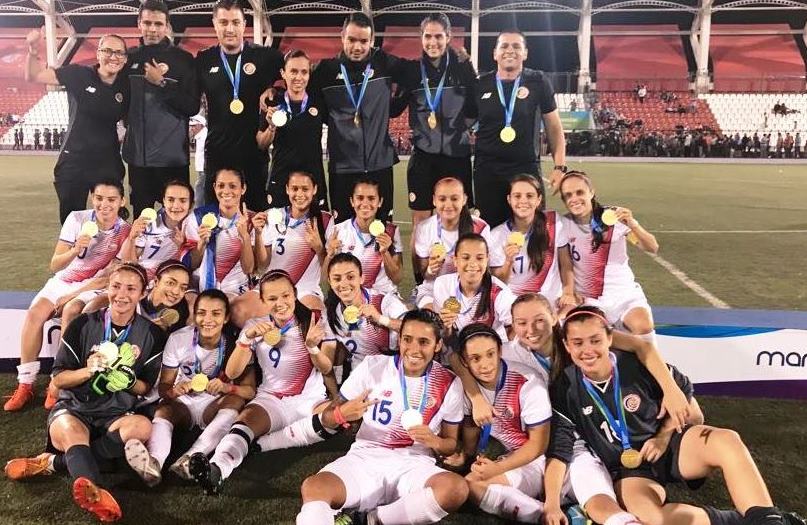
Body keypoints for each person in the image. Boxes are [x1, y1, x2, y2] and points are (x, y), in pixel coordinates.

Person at [548, 305, 800, 525]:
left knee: (727, 440)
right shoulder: (565, 388)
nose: (587, 350)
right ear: (567, 345)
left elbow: (685, 402)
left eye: (595, 340)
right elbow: (561, 445)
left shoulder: (637, 364)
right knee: (652, 518)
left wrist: (663, 437)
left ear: (610, 338)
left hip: (671, 446)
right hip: (628, 469)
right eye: (578, 343)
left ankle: (768, 520)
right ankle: (742, 520)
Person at [5, 264, 166, 523]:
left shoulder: (151, 334)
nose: (122, 294)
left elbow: (144, 387)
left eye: (131, 288)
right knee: (70, 431)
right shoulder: (83, 323)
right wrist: (87, 371)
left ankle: (52, 464)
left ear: (142, 293)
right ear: (108, 288)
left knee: (143, 427)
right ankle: (95, 490)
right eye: (116, 286)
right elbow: (59, 378)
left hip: (116, 413)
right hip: (75, 408)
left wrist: (127, 379)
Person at [296, 309, 469, 525]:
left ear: (437, 345)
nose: (414, 349)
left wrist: (434, 441)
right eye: (407, 339)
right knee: (314, 487)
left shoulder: (449, 382)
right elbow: (328, 418)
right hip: (366, 457)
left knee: (455, 489)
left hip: (414, 464)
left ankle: (369, 520)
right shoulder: (373, 366)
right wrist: (342, 413)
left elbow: (450, 445)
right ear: (400, 340)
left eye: (423, 342)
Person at [188, 270, 334, 495]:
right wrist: (246, 340)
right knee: (242, 425)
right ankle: (217, 470)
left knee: (338, 419)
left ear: (294, 294)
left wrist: (313, 347)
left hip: (310, 400)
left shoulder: (313, 320)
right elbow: (233, 371)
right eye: (272, 299)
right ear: (263, 301)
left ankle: (266, 443)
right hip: (272, 400)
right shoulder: (255, 325)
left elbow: (326, 368)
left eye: (285, 296)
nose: (281, 303)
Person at [4, 180, 132, 412]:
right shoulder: (77, 219)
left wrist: (71, 295)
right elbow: (55, 265)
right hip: (64, 280)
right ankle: (25, 384)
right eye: (99, 198)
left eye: (111, 200)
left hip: (93, 286)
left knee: (72, 312)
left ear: (121, 201)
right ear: (92, 198)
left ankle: (59, 383)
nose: (104, 205)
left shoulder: (125, 231)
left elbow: (108, 278)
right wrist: (75, 250)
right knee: (35, 314)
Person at [124, 289, 256, 485]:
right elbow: (164, 387)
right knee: (164, 408)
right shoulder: (178, 339)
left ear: (227, 317)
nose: (208, 319)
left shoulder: (237, 344)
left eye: (216, 313)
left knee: (235, 401)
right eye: (201, 313)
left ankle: (191, 458)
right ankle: (153, 463)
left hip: (215, 402)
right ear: (194, 315)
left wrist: (228, 388)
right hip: (183, 402)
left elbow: (250, 390)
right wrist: (173, 391)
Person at [24, 28, 129, 223]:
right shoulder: (78, 74)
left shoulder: (126, 85)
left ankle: (110, 254)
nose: (112, 57)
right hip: (75, 161)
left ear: (124, 58)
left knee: (112, 220)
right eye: (107, 51)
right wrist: (33, 49)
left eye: (118, 53)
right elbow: (35, 76)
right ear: (98, 53)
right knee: (72, 222)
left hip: (107, 162)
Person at [308, 12, 406, 221]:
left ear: (372, 41)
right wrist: (270, 91)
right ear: (342, 36)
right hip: (343, 167)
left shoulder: (384, 64)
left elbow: (417, 74)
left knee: (381, 231)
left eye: (364, 41)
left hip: (379, 164)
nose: (357, 47)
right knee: (343, 232)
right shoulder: (325, 71)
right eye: (352, 40)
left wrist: (458, 63)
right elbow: (296, 86)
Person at [397, 13, 477, 257]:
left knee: (461, 219)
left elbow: (475, 107)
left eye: (438, 36)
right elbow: (394, 108)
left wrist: (458, 129)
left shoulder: (462, 69)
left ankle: (463, 279)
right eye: (428, 36)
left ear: (449, 37)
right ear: (421, 38)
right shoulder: (412, 72)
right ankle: (422, 284)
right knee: (421, 222)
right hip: (424, 157)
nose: (433, 42)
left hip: (457, 156)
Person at [456, 323, 551, 523]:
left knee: (475, 486)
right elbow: (471, 429)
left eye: (490, 354)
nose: (485, 364)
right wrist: (465, 456)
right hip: (513, 457)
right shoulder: (468, 389)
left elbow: (539, 445)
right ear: (464, 362)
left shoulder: (527, 382)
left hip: (545, 460)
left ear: (500, 351)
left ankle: (546, 515)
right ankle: (544, 512)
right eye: (475, 358)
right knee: (469, 484)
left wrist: (498, 468)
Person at [195, 0, 283, 211]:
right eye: (223, 22)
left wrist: (276, 90)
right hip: (218, 153)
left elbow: (292, 77)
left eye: (235, 22)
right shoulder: (204, 60)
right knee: (214, 217)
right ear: (214, 24)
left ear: (245, 24)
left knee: (256, 218)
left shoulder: (266, 57)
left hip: (253, 154)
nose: (230, 28)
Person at [474, 29, 567, 226]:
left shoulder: (538, 81)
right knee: (489, 234)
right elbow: (462, 124)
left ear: (525, 53)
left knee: (533, 232)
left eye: (516, 46)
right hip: (487, 171)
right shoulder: (480, 84)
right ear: (495, 53)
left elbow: (554, 127)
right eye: (504, 46)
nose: (510, 50)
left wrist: (559, 166)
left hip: (525, 168)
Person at [558, 171, 659, 343]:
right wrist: (569, 291)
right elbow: (565, 264)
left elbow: (652, 247)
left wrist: (633, 224)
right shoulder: (563, 225)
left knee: (643, 326)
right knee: (592, 336)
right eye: (568, 195)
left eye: (580, 192)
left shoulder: (612, 217)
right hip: (590, 299)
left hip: (624, 294)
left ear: (591, 192)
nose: (574, 198)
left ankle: (655, 367)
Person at [123, 0, 199, 217]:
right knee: (141, 222)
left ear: (167, 25)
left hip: (173, 160)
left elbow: (192, 106)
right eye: (147, 23)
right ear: (139, 23)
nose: (152, 29)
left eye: (158, 24)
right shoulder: (129, 58)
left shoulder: (184, 60)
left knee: (177, 222)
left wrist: (162, 84)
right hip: (139, 160)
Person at [489, 174, 576, 311]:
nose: (523, 201)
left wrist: (568, 292)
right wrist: (508, 261)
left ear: (538, 199)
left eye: (529, 196)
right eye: (517, 196)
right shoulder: (496, 235)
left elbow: (565, 263)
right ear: (509, 199)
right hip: (515, 306)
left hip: (551, 303)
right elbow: (499, 283)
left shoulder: (553, 222)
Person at [258, 49, 328, 209]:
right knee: (276, 231)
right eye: (293, 71)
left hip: (313, 180)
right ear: (283, 73)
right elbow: (261, 143)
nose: (299, 77)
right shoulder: (272, 101)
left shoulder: (319, 101)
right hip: (280, 179)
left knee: (315, 231)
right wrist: (271, 127)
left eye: (304, 72)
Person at [413, 177, 491, 306]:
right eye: (442, 199)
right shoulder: (424, 228)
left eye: (454, 199)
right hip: (433, 290)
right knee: (431, 319)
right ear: (434, 200)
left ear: (464, 199)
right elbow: (425, 276)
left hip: (470, 289)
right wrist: (431, 269)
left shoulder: (480, 227)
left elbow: (486, 269)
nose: (448, 205)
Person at [324, 178, 403, 295]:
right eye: (360, 198)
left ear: (380, 202)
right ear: (352, 201)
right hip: (349, 296)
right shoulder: (338, 230)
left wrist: (385, 252)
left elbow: (397, 279)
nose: (365, 204)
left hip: (383, 296)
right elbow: (325, 280)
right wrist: (330, 255)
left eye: (371, 198)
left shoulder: (391, 231)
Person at [186, 168, 254, 297]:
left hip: (235, 288)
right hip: (200, 285)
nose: (226, 191)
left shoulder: (251, 221)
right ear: (214, 187)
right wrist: (201, 244)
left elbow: (248, 269)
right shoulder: (197, 217)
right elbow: (192, 264)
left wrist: (244, 236)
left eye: (233, 186)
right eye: (221, 186)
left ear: (243, 188)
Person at [190, 114, 208, 206]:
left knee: (200, 187)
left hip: (205, 168)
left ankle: (199, 208)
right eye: (191, 126)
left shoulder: (204, 136)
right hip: (202, 168)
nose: (192, 128)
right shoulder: (200, 136)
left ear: (201, 125)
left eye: (194, 126)